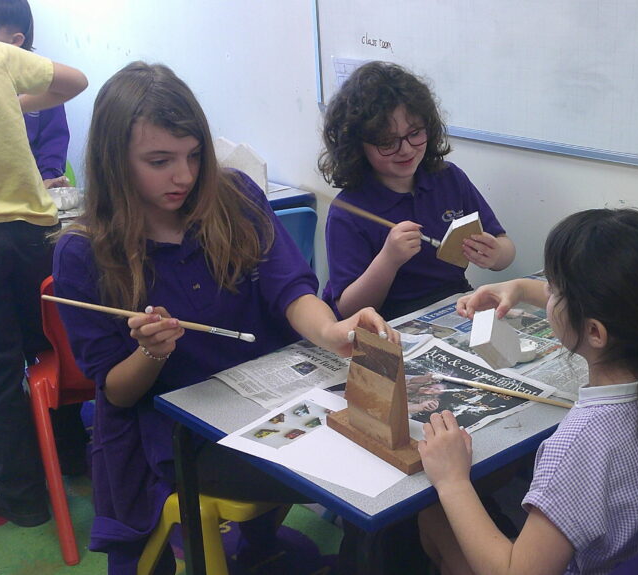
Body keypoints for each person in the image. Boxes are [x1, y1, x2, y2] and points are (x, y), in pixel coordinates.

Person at [52, 61, 397, 574]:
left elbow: (289, 288)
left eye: (194, 155)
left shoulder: (232, 196)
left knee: (385, 450)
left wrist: (332, 330)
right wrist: (151, 352)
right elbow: (117, 393)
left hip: (272, 395)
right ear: (114, 160)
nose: (184, 176)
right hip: (182, 433)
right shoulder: (85, 251)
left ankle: (278, 548)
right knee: (364, 473)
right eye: (160, 161)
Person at [418, 209, 638, 574]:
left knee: (433, 517)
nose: (547, 294)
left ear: (594, 332)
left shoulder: (579, 446)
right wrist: (519, 288)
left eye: (555, 290)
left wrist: (452, 481)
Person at [318, 61, 515, 320]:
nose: (406, 149)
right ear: (357, 146)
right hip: (389, 321)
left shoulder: (448, 178)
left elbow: (505, 248)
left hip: (454, 303)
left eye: (414, 133)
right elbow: (349, 309)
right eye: (387, 142)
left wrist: (496, 254)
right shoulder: (349, 211)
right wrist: (388, 260)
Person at [0, 38, 86, 527]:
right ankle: (71, 453)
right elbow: (76, 81)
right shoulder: (0, 56)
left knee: (1, 373)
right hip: (31, 233)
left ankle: (25, 501)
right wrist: (16, 99)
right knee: (51, 347)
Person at [0, 0, 71, 188]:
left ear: (14, 41)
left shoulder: (41, 85)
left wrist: (48, 177)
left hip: (28, 189)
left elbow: (53, 141)